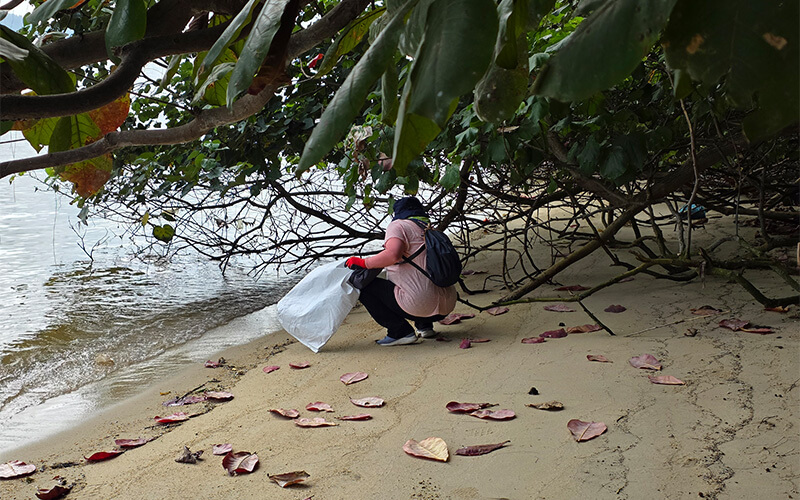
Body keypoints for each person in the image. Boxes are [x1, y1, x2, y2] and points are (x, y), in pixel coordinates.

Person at [345, 197, 457, 346]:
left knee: (365, 287)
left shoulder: (398, 225)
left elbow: (393, 255)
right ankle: (425, 327)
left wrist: (363, 262)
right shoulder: (429, 228)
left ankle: (400, 332)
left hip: (420, 305)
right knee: (416, 278)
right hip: (448, 305)